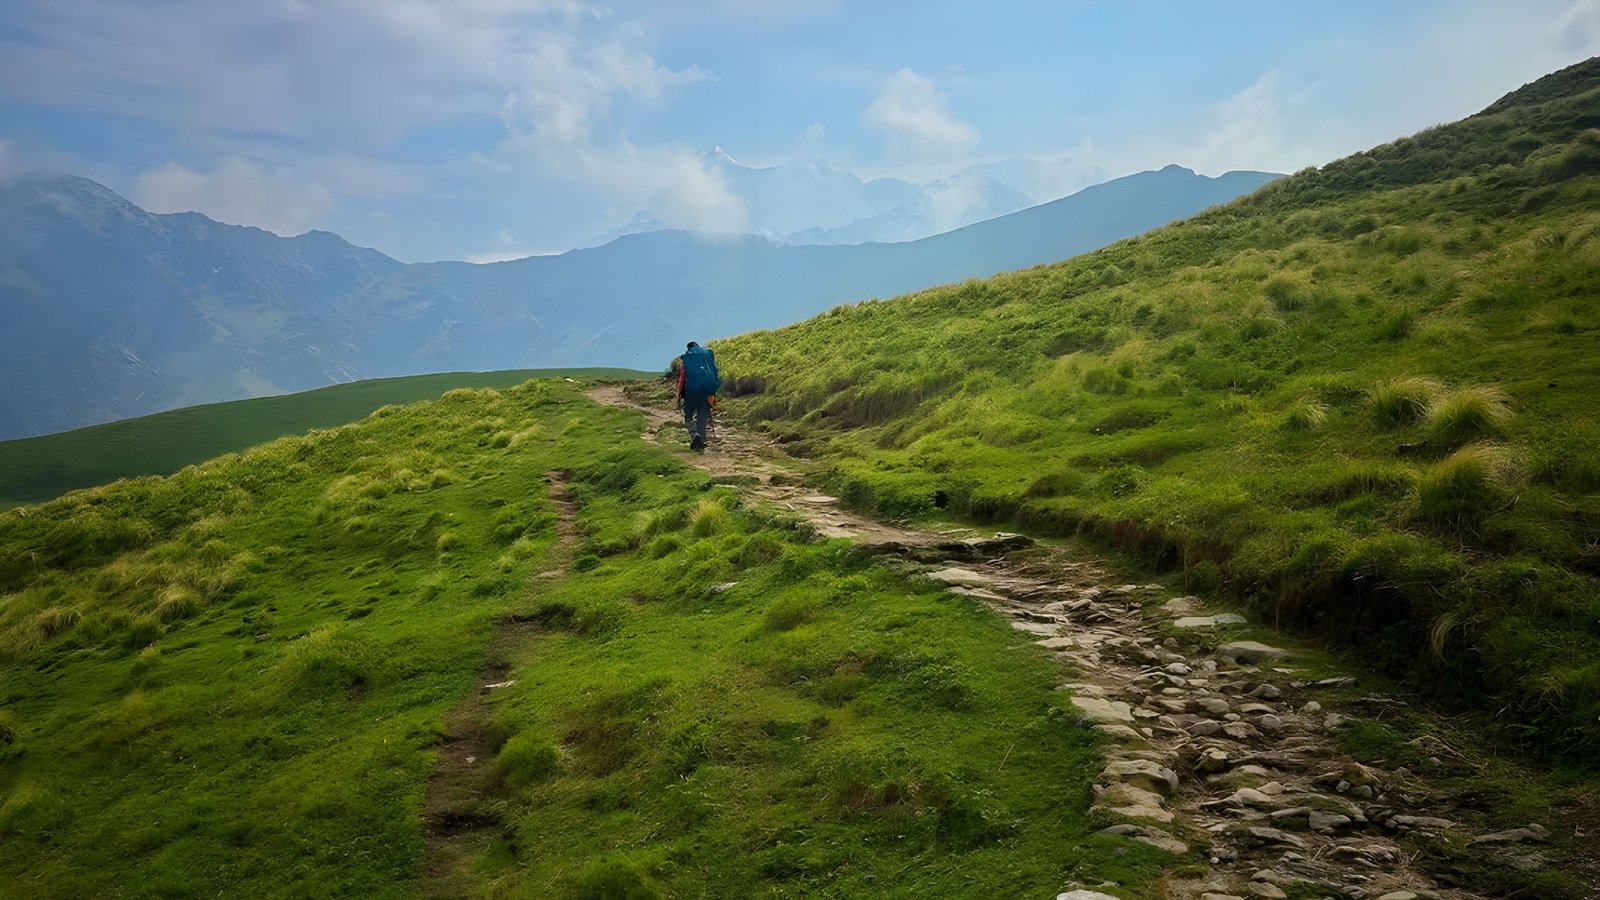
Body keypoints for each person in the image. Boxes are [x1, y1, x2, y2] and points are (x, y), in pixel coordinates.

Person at [676, 341, 720, 451]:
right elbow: (715, 372)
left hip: (693, 391)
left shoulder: (689, 358)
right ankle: (701, 441)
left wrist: (679, 394)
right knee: (702, 416)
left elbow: (683, 378)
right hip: (708, 390)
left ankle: (694, 435)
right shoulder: (707, 356)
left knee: (688, 415)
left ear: (689, 348)